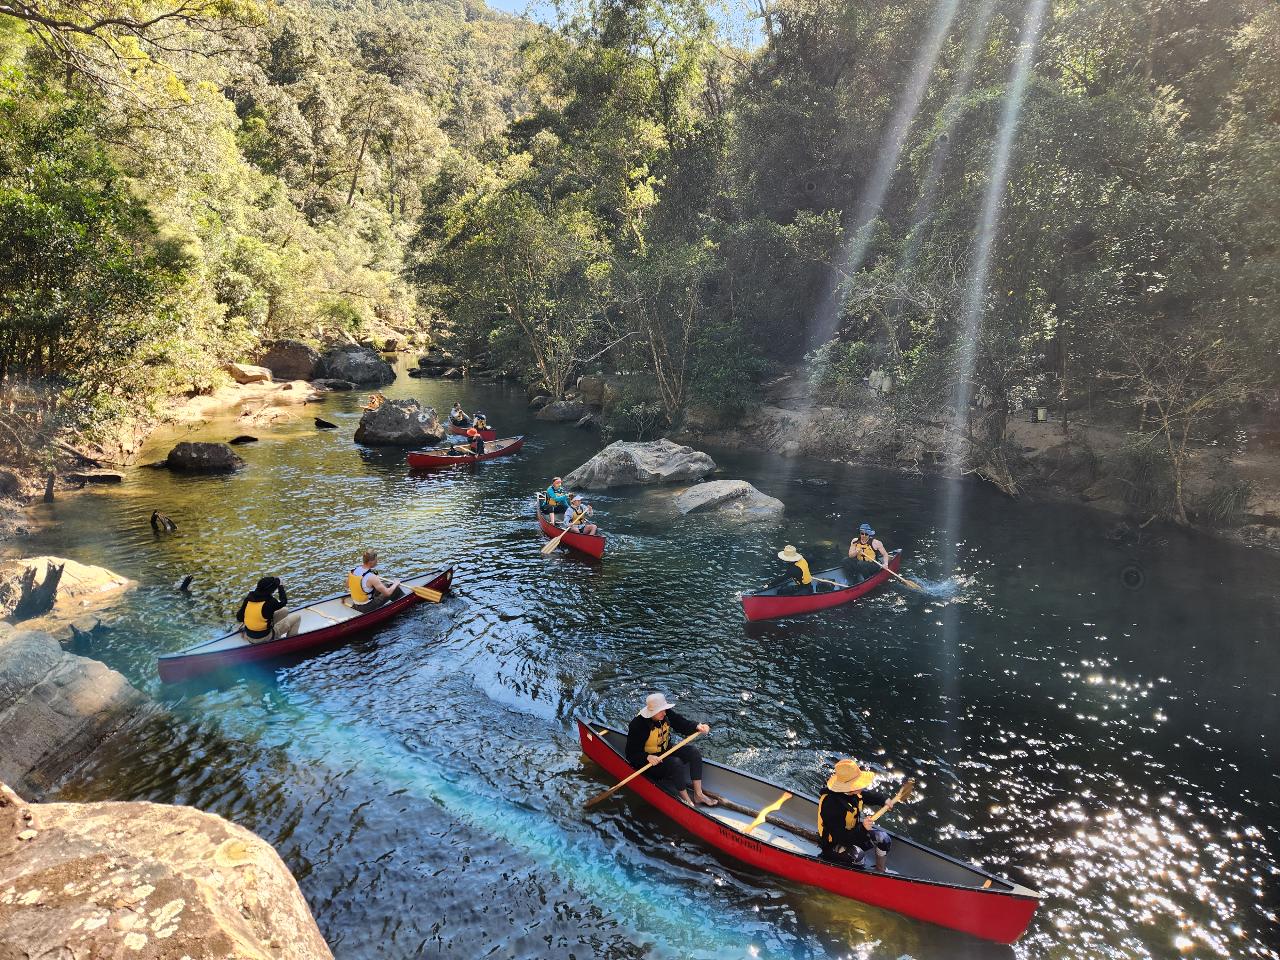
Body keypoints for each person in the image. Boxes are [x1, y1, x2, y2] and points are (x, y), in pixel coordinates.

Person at [625, 693, 718, 807]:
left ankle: (698, 794)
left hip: (664, 752)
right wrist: (647, 757)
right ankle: (686, 800)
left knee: (693, 752)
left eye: (664, 709)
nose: (664, 713)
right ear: (652, 711)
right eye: (661, 710)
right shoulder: (638, 725)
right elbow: (630, 754)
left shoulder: (665, 714)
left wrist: (697, 726)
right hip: (649, 764)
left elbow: (681, 724)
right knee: (676, 763)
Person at [817, 758, 895, 872]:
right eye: (859, 783)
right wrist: (863, 828)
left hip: (853, 834)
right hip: (834, 844)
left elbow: (867, 796)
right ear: (850, 787)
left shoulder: (853, 792)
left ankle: (880, 870)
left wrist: (884, 800)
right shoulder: (831, 805)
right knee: (857, 856)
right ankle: (849, 874)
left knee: (884, 839)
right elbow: (842, 838)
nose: (862, 785)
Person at [235, 576, 301, 643]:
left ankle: (275, 635)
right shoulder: (270, 602)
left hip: (249, 636)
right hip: (265, 638)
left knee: (285, 610)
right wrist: (280, 586)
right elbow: (283, 602)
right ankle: (291, 642)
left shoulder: (249, 598)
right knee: (297, 617)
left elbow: (239, 618)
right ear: (271, 589)